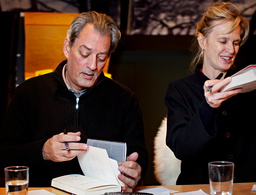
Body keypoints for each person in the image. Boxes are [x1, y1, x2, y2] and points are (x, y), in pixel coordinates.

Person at [0, 11, 148, 191]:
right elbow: (4, 156)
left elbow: (139, 158)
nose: (93, 66)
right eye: (85, 54)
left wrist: (135, 170)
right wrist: (43, 151)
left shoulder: (125, 99)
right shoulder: (29, 92)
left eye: (101, 58)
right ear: (67, 48)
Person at [165, 2, 256, 185]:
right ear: (202, 40)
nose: (231, 50)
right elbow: (181, 148)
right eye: (223, 41)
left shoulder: (250, 88)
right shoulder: (180, 90)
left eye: (236, 42)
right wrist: (208, 107)